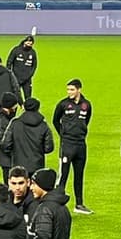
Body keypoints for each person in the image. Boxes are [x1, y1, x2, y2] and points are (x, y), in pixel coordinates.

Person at [52, 78, 93, 215]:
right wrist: (63, 134)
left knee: (79, 175)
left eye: (72, 89)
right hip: (67, 144)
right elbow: (55, 120)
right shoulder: (63, 104)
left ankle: (79, 204)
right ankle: (57, 203)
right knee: (63, 175)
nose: (69, 92)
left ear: (79, 89)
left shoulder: (87, 105)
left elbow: (86, 121)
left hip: (81, 144)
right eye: (68, 89)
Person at [2, 96, 54, 176]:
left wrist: (15, 153)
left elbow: (6, 144)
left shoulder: (15, 123)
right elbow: (49, 148)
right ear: (38, 108)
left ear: (24, 108)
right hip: (37, 166)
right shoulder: (43, 125)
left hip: (18, 167)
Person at [0, 92, 18, 183]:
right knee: (9, 183)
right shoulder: (0, 120)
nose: (15, 108)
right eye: (14, 106)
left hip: (6, 157)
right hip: (6, 158)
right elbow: (2, 141)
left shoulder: (3, 116)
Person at [7, 35, 37, 101]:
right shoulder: (16, 50)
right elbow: (9, 62)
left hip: (27, 80)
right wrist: (10, 75)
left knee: (28, 98)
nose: (29, 45)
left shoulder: (32, 53)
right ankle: (13, 110)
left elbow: (34, 66)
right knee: (13, 97)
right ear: (24, 42)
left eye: (31, 43)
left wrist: (29, 75)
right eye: (28, 43)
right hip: (16, 78)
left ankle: (28, 110)